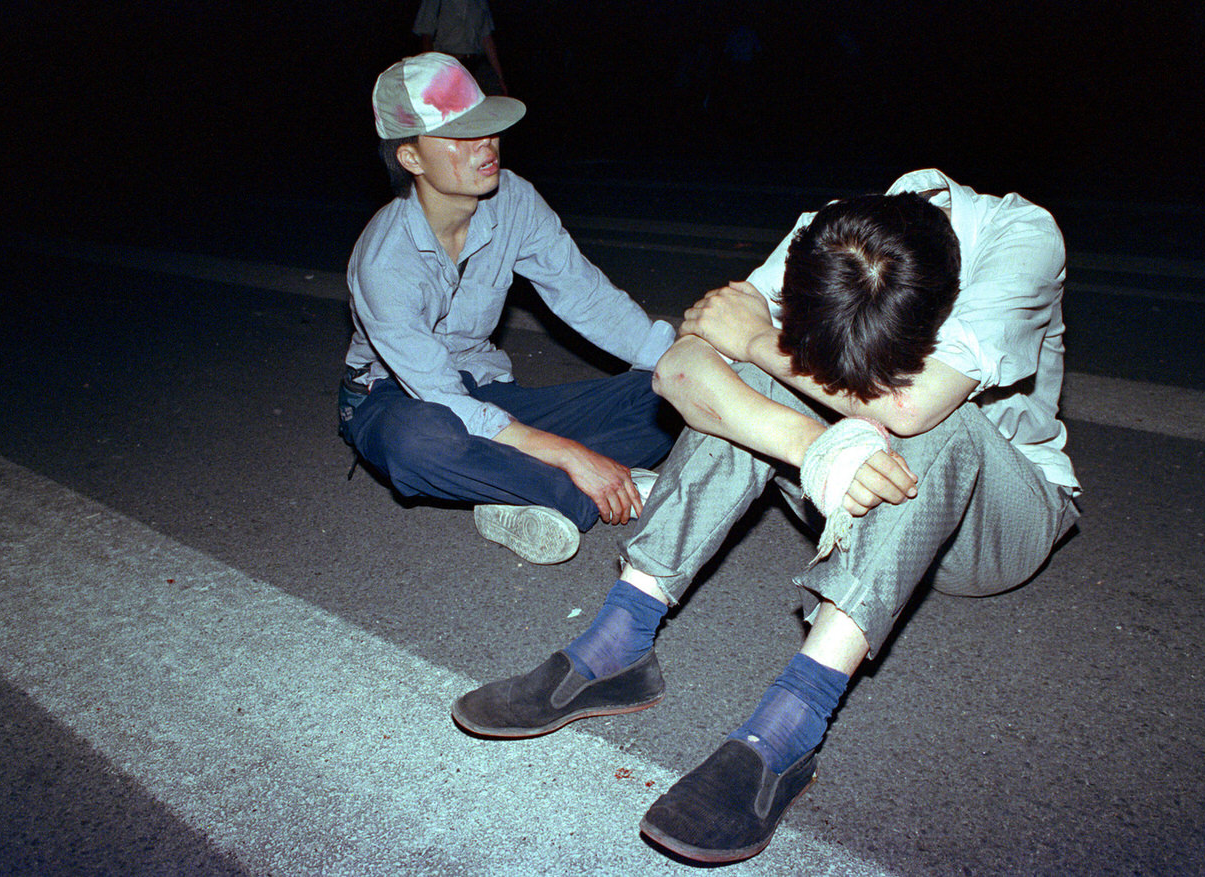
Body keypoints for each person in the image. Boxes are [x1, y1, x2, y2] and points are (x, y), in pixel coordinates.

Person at [451, 170, 1082, 862]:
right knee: (741, 386)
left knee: (930, 420)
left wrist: (758, 341)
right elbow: (678, 370)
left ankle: (790, 726)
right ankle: (617, 642)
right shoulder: (829, 237)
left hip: (994, 523)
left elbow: (911, 407)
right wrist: (814, 444)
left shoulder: (1020, 239)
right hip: (856, 481)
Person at [339, 53, 678, 565]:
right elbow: (439, 396)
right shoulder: (385, 259)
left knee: (670, 395)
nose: (486, 145)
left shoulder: (514, 199)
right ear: (410, 158)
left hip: (487, 388)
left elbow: (582, 294)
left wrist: (679, 364)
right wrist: (572, 455)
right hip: (395, 398)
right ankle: (587, 490)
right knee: (421, 444)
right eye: (459, 135)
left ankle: (517, 490)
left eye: (486, 127)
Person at [412, 0, 508, 95]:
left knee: (491, 97)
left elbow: (486, 39)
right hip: (447, 64)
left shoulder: (480, 2)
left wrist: (500, 78)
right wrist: (431, 71)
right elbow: (426, 35)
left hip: (474, 64)